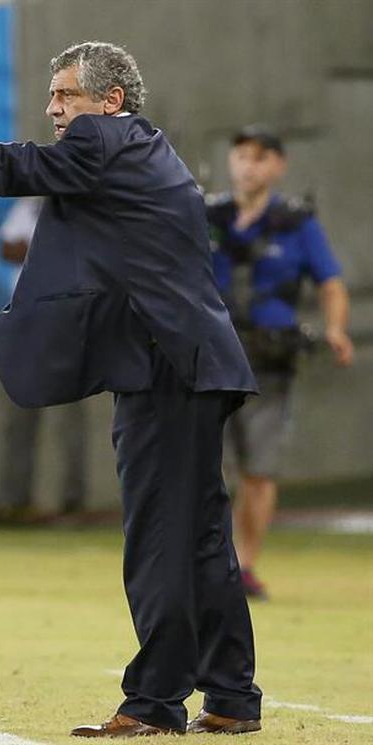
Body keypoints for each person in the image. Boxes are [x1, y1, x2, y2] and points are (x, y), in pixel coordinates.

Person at [0, 41, 263, 737]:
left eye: (66, 95)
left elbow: (11, 166)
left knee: (161, 539)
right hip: (193, 365)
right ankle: (233, 695)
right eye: (53, 95)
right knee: (200, 538)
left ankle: (154, 703)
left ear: (110, 101)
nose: (53, 108)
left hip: (167, 369)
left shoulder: (103, 140)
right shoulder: (142, 145)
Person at [207, 126, 353, 599]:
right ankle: (210, 564)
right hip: (210, 356)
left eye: (259, 158)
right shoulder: (209, 216)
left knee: (259, 467)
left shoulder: (296, 223)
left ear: (278, 165)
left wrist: (335, 329)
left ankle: (244, 565)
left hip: (268, 359)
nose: (248, 167)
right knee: (206, 467)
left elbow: (331, 282)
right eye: (241, 156)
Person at [0, 197, 89, 514]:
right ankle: (15, 502)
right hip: (25, 323)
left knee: (68, 417)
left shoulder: (82, 205)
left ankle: (71, 501)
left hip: (68, 323)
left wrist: (35, 251)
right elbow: (5, 248)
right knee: (19, 412)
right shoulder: (30, 206)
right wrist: (49, 252)